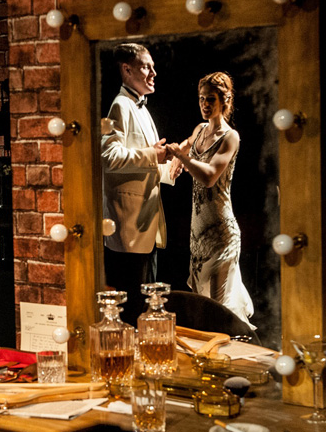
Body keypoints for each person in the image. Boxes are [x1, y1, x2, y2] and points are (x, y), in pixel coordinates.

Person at [167, 72, 255, 330]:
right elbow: (185, 146)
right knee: (201, 307)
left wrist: (182, 158)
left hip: (220, 232)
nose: (205, 104)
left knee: (217, 310)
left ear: (224, 101)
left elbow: (209, 176)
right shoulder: (200, 130)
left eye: (211, 99)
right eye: (201, 99)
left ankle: (227, 351)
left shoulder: (230, 137)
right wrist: (176, 156)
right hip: (198, 232)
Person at [101, 43, 179, 326]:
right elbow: (109, 157)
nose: (153, 73)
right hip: (128, 227)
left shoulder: (141, 108)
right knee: (133, 309)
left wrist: (169, 169)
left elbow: (144, 163)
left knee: (145, 305)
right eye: (147, 66)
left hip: (145, 224)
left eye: (152, 67)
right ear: (127, 70)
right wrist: (153, 155)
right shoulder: (120, 105)